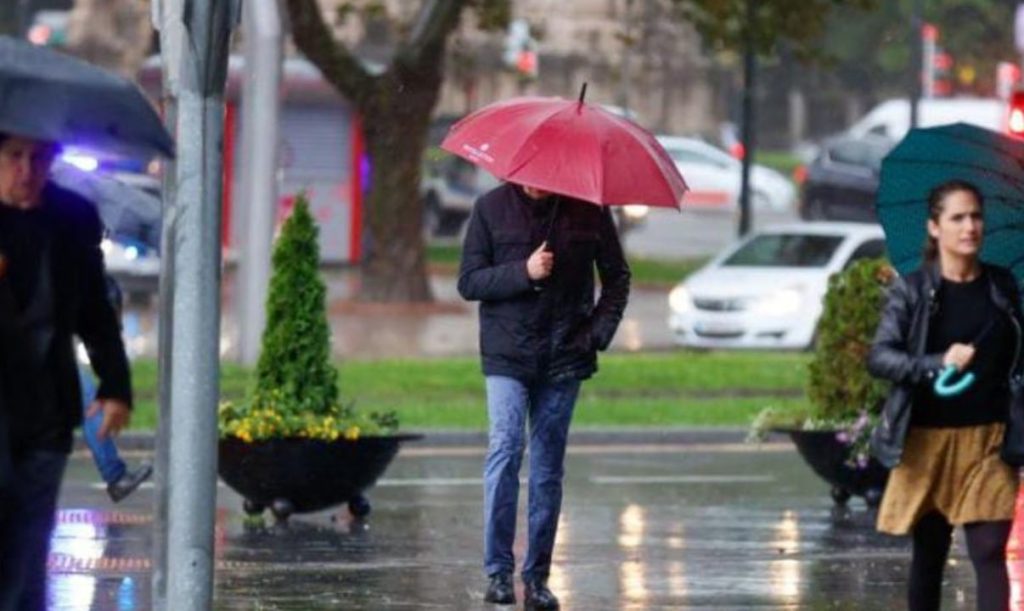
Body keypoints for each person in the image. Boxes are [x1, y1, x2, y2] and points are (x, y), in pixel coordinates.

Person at [458, 182, 630, 610]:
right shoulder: (490, 208)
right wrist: (524, 271)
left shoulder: (588, 210)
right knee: (506, 448)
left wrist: (596, 333)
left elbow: (618, 277)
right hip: (507, 355)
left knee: (548, 467)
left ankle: (537, 578)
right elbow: (469, 280)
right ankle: (498, 572)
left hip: (564, 356)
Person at [868, 179, 1022, 611]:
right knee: (930, 552)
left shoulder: (1002, 286)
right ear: (935, 228)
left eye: (976, 216)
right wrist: (936, 362)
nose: (970, 226)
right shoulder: (914, 289)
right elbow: (880, 357)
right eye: (958, 217)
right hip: (926, 442)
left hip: (989, 441)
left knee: (990, 549)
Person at [0, 133, 133, 610]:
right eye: (14, 157)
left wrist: (115, 385)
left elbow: (94, 311)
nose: (26, 171)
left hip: (44, 409)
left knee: (32, 541)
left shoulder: (71, 218)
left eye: (38, 159)